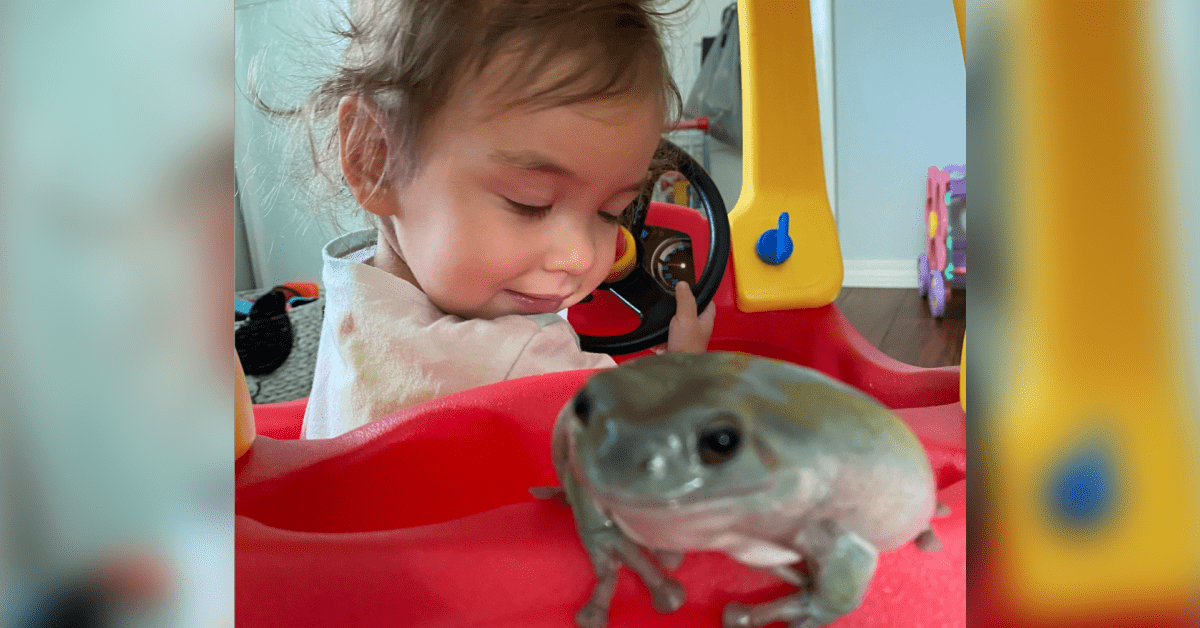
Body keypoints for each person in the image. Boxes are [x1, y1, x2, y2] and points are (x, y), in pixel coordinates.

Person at [276, 0, 713, 438]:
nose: (580, 257)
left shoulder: (353, 283)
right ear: (376, 157)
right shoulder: (525, 362)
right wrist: (683, 374)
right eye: (530, 203)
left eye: (610, 213)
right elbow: (663, 459)